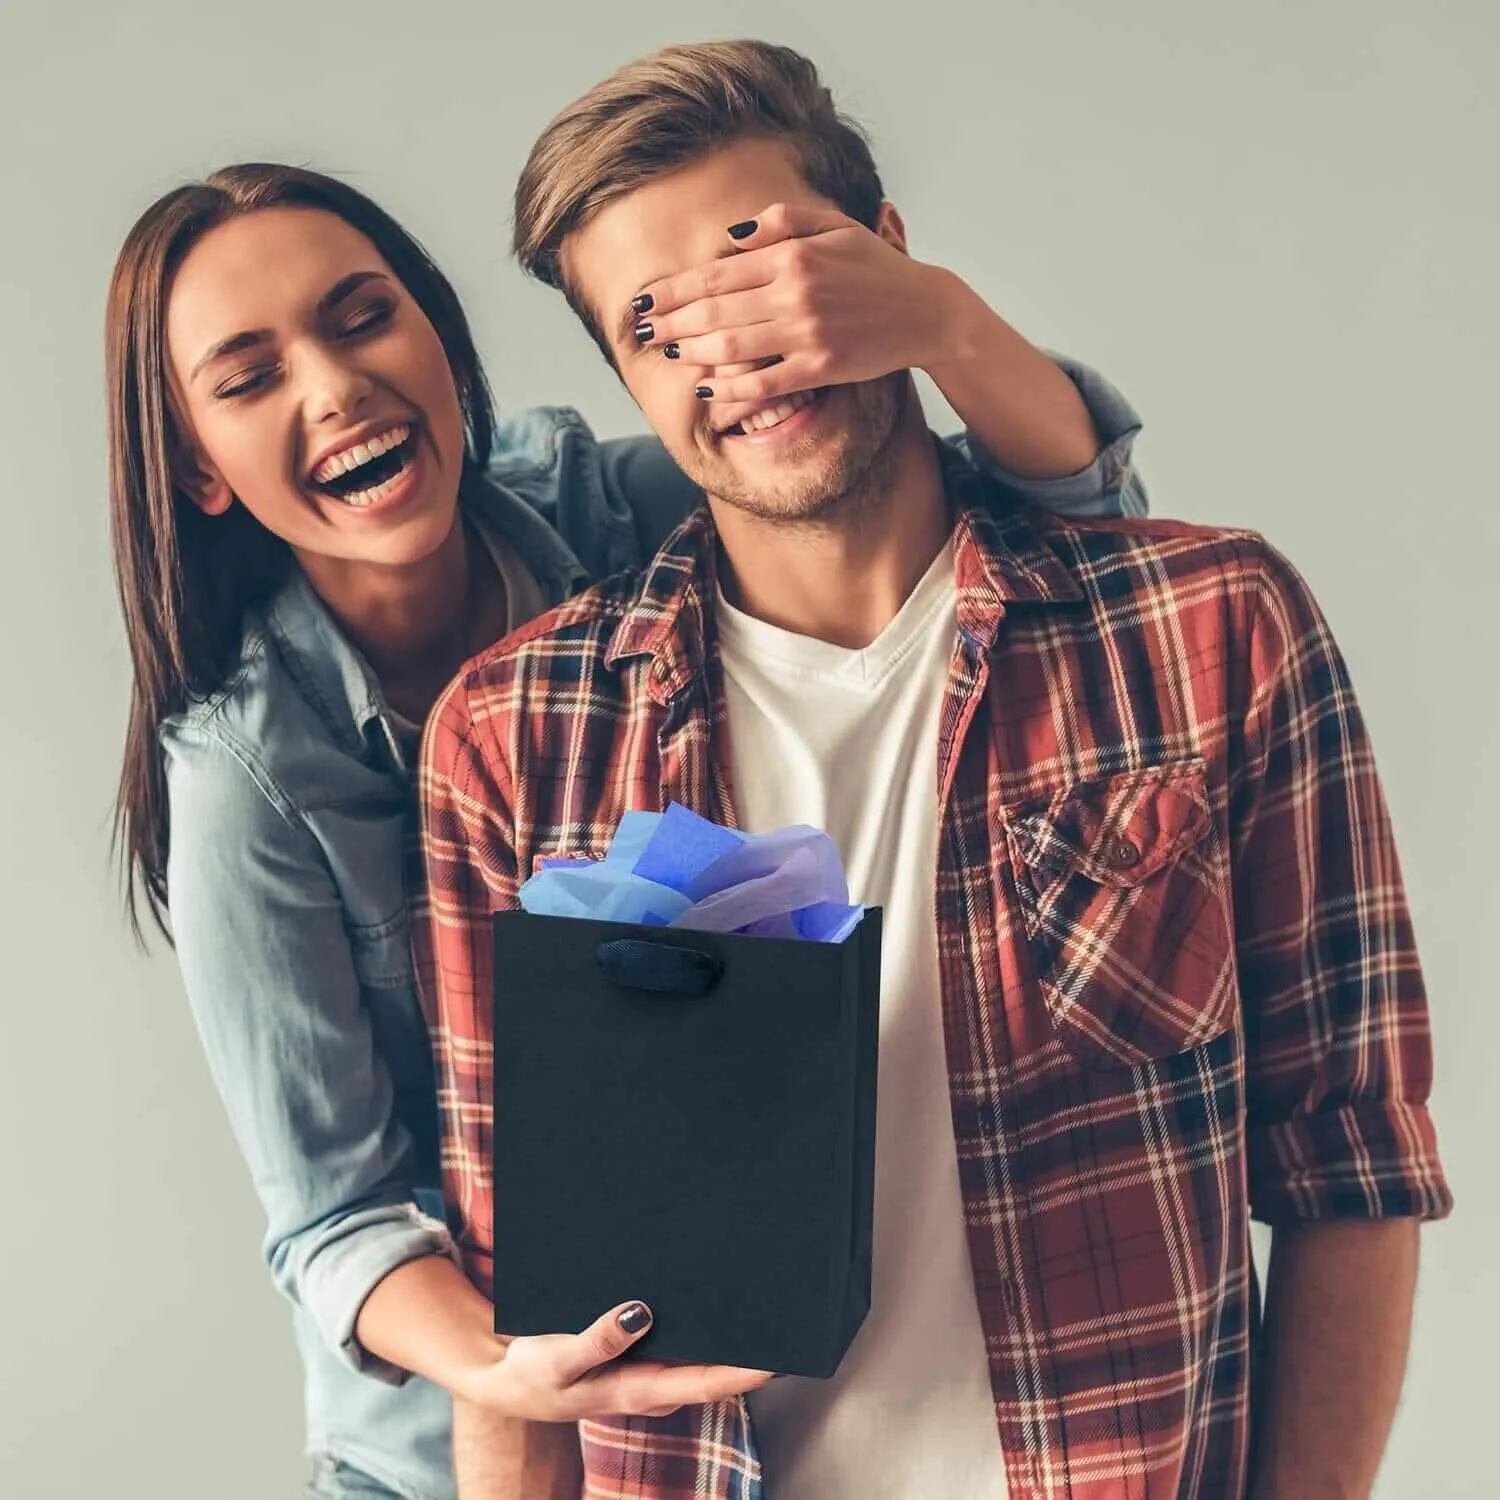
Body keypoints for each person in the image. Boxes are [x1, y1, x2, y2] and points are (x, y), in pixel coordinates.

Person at [415, 39, 1454, 1500]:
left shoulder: (1215, 627)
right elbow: (515, 1295)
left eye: (766, 273)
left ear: (886, 257)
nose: (734, 353)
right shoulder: (516, 739)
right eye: (659, 327)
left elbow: (1353, 1167)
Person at [106, 154, 1149, 1500]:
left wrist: (941, 321)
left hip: (756, 1395)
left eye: (363, 316)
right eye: (251, 378)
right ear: (197, 469)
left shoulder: (611, 513)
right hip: (451, 1450)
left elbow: (1063, 521)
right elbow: (334, 1219)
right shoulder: (245, 774)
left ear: (435, 328)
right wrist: (513, 1372)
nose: (335, 386)